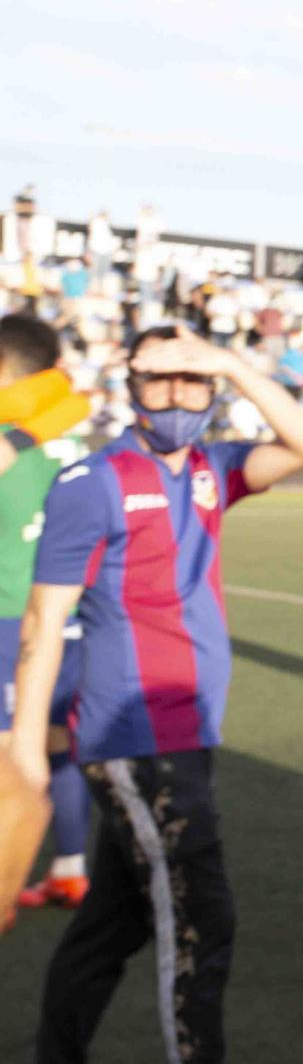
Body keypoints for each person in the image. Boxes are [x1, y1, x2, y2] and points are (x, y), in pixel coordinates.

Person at [0, 324, 303, 1064]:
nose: (178, 398)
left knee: (111, 921)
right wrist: (29, 751)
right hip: (132, 738)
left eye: (195, 382)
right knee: (199, 919)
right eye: (160, 381)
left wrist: (231, 365)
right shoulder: (92, 482)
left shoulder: (215, 468)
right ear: (130, 384)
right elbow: (41, 624)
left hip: (186, 732)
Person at [0, 316, 94, 918]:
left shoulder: (17, 437)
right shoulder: (72, 434)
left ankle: (6, 888)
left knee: (10, 761)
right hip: (72, 619)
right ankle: (69, 868)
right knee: (58, 745)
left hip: (12, 617)